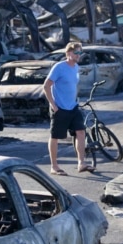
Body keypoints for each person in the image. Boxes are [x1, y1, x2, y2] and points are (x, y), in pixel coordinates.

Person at [43, 41, 95, 175]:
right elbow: (46, 86)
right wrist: (53, 105)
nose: (78, 55)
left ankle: (81, 163)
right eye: (76, 52)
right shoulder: (59, 67)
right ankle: (54, 166)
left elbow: (74, 85)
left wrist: (76, 99)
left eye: (80, 52)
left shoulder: (76, 67)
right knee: (55, 137)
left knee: (81, 132)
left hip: (73, 107)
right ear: (68, 53)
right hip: (59, 108)